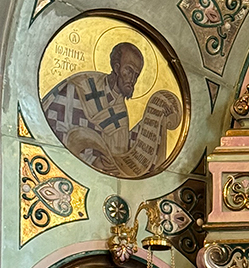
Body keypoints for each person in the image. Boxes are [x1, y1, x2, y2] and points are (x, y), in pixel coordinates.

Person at [41, 42, 182, 178]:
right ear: (116, 67)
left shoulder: (121, 112)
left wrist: (154, 120)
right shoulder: (80, 87)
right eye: (129, 70)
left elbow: (121, 155)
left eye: (136, 75)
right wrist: (91, 160)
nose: (132, 79)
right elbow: (52, 132)